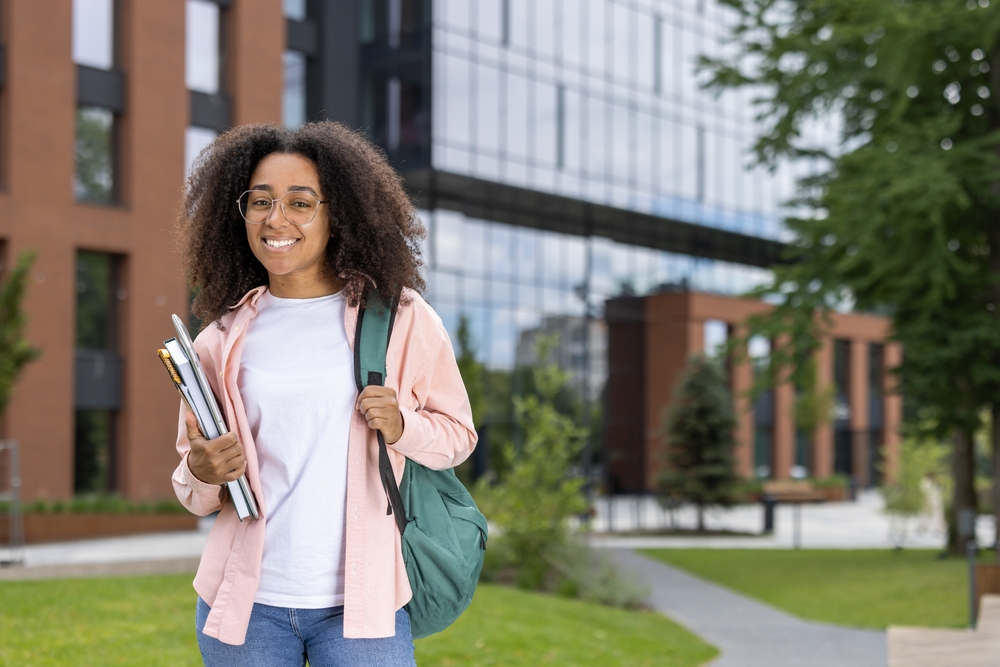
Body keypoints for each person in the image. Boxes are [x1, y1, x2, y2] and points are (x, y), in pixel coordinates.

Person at [170, 121, 477, 667]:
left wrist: (404, 425)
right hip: (247, 606)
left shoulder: (400, 318)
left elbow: (458, 437)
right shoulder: (221, 337)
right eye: (260, 201)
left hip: (363, 606)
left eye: (300, 202)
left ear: (338, 213)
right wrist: (201, 470)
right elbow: (192, 489)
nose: (276, 219)